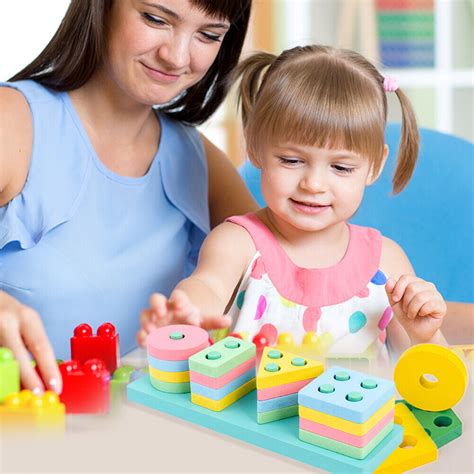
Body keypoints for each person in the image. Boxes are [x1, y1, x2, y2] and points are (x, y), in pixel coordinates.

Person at [0, 0, 257, 395]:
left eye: (209, 35)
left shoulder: (197, 160)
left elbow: (290, 265)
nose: (176, 56)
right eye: (155, 19)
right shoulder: (13, 121)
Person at [138, 45, 448, 363]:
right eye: (291, 160)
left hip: (358, 415)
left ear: (374, 166)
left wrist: (425, 335)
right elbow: (207, 288)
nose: (313, 184)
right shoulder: (238, 243)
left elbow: (427, 379)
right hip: (250, 412)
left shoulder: (386, 262)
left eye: (341, 167)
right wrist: (185, 314)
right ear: (255, 146)